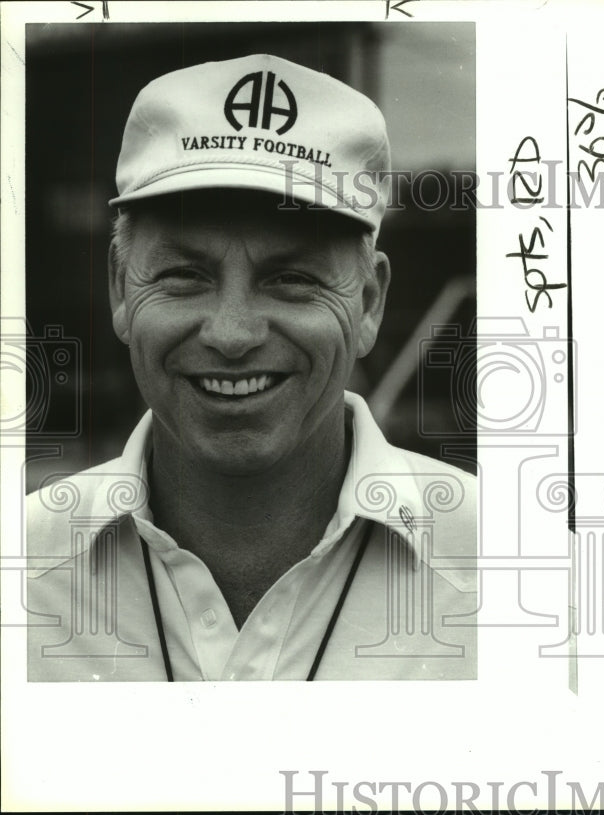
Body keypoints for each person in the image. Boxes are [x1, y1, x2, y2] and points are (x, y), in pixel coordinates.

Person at [25, 54, 477, 681]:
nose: (233, 335)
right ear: (121, 291)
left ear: (369, 302)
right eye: (184, 276)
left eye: (291, 279)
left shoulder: (522, 576)